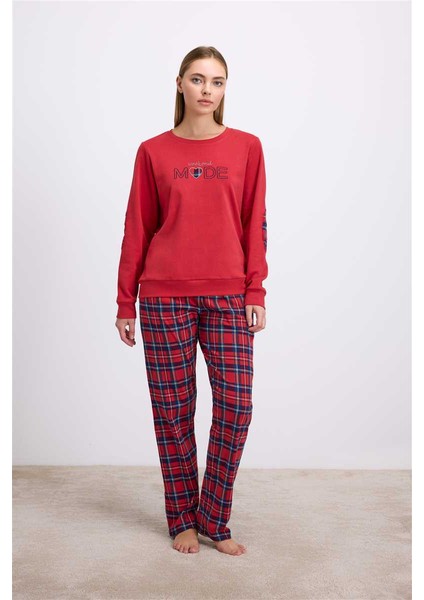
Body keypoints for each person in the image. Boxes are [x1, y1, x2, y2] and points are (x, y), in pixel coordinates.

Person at [115, 46, 268, 556]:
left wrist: (255, 289)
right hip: (164, 297)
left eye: (217, 82)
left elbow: (255, 224)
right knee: (173, 412)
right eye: (198, 79)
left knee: (237, 407)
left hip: (228, 296)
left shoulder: (247, 147)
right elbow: (137, 227)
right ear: (180, 83)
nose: (208, 90)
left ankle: (214, 518)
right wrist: (125, 301)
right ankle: (182, 517)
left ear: (225, 89)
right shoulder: (152, 151)